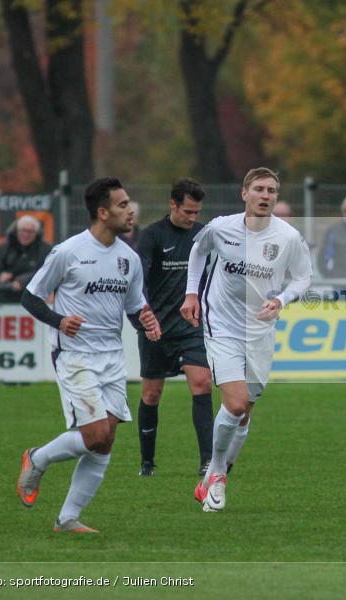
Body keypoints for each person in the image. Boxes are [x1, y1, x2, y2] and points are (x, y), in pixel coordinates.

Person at [17, 177, 161, 533]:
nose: (131, 211)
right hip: (75, 355)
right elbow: (31, 296)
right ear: (103, 212)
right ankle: (37, 458)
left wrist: (145, 321)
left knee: (105, 441)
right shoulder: (68, 252)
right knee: (96, 435)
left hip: (111, 356)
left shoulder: (129, 258)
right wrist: (59, 320)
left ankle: (67, 519)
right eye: (123, 204)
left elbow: (132, 307)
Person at [182, 167, 311, 513]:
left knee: (245, 411)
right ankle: (218, 475)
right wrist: (191, 294)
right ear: (245, 194)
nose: (265, 195)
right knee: (235, 403)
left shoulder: (287, 238)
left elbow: (303, 279)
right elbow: (198, 252)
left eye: (271, 190)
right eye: (259, 189)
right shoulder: (221, 227)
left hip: (260, 330)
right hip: (221, 323)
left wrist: (281, 300)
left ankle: (212, 473)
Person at [135, 178, 213, 477]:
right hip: (157, 327)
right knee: (152, 394)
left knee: (202, 383)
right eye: (188, 212)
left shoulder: (204, 235)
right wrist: (143, 313)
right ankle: (147, 461)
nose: (193, 218)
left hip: (192, 325)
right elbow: (138, 277)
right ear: (173, 205)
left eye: (197, 212)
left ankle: (208, 461)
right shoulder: (152, 235)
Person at [0, 216, 53, 303]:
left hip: (34, 302)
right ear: (16, 231)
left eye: (30, 232)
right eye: (23, 230)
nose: (25, 235)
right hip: (4, 301)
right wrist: (0, 276)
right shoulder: (4, 247)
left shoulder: (45, 249)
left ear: (36, 233)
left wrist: (22, 280)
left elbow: (46, 271)